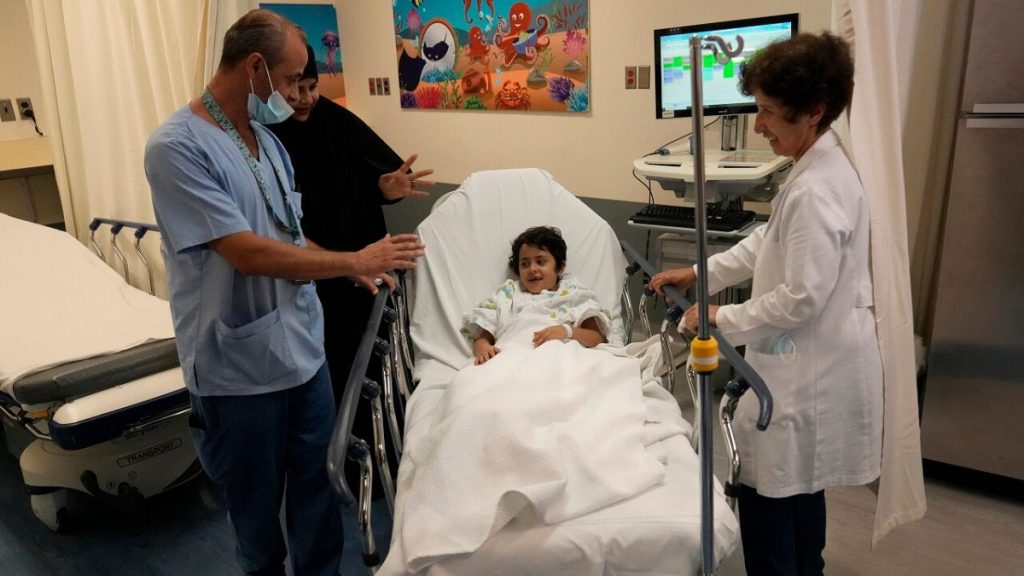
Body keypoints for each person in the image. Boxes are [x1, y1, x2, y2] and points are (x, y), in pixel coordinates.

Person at [143, 10, 424, 576]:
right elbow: (246, 251)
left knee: (319, 501)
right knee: (257, 520)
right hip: (238, 369)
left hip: (303, 352)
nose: (301, 94)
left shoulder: (268, 145)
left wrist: (347, 272)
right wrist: (354, 257)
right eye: (293, 79)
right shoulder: (177, 148)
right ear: (255, 68)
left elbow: (287, 233)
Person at [649, 32, 882, 576]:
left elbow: (802, 296)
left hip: (807, 371)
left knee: (767, 488)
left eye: (770, 113)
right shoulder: (815, 167)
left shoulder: (817, 188)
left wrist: (718, 315)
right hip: (807, 364)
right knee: (799, 486)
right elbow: (765, 243)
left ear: (814, 112)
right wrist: (701, 273)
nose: (758, 125)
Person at [268, 43, 435, 403]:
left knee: (372, 357)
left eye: (313, 87)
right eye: (297, 88)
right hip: (310, 269)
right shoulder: (267, 136)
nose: (306, 98)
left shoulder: (336, 120)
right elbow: (275, 222)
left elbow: (370, 177)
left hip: (367, 262)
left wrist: (385, 187)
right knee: (330, 363)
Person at [463, 226, 608, 365]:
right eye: (525, 264)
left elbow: (596, 338)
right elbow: (482, 340)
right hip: (510, 356)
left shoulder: (574, 294)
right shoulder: (508, 294)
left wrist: (566, 331)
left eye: (540, 261)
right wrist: (483, 348)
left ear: (560, 267)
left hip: (559, 358)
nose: (532, 269)